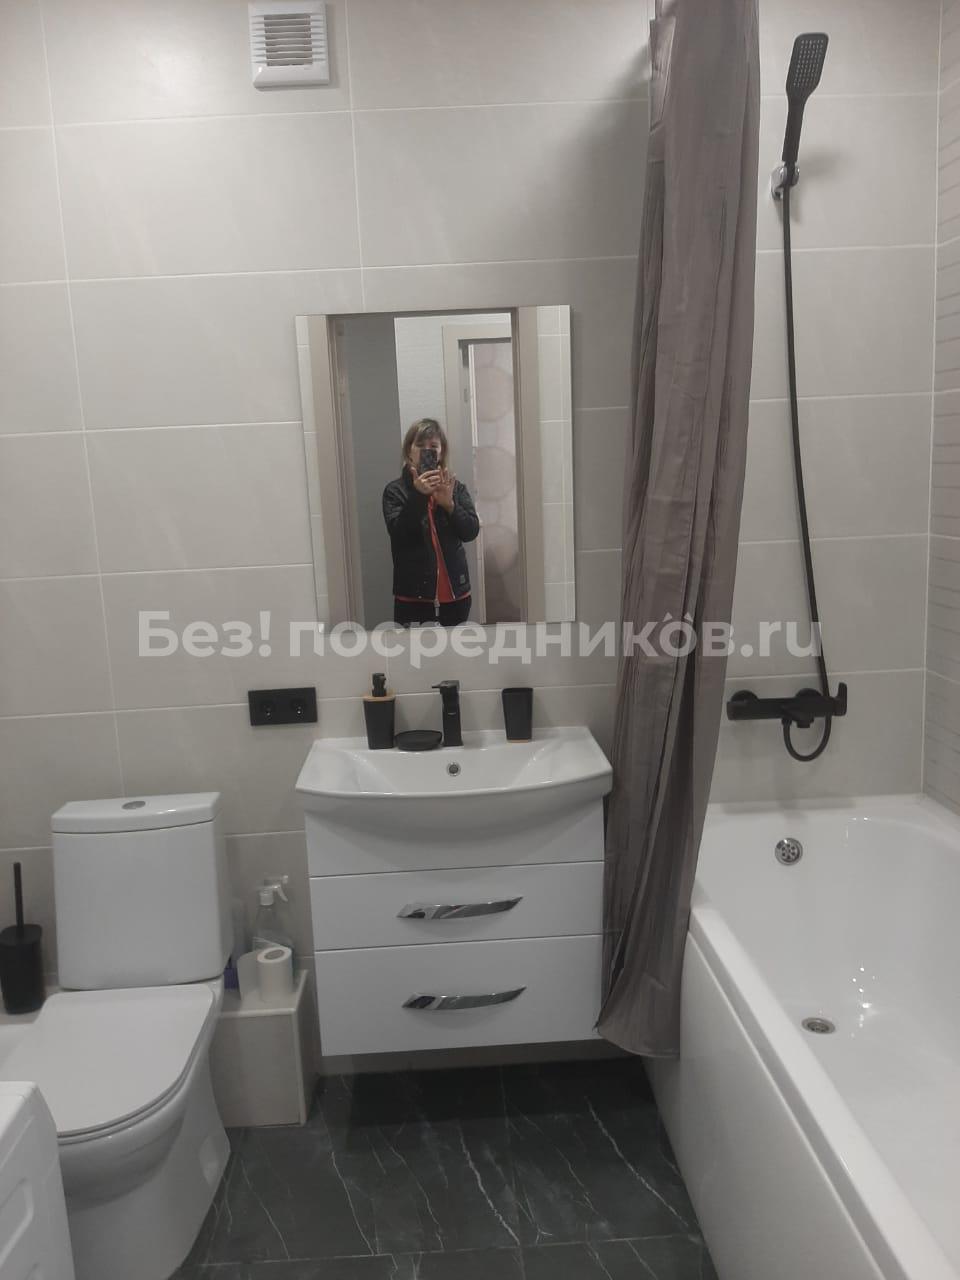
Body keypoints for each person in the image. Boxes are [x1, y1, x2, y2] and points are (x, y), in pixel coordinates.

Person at [382, 419, 480, 626]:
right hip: (413, 598)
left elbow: (470, 532)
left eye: (433, 446)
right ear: (409, 452)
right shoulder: (395, 491)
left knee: (455, 647)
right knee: (412, 649)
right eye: (420, 445)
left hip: (456, 597)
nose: (427, 451)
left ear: (441, 453)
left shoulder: (455, 488)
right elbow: (400, 534)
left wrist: (450, 505)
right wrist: (418, 496)